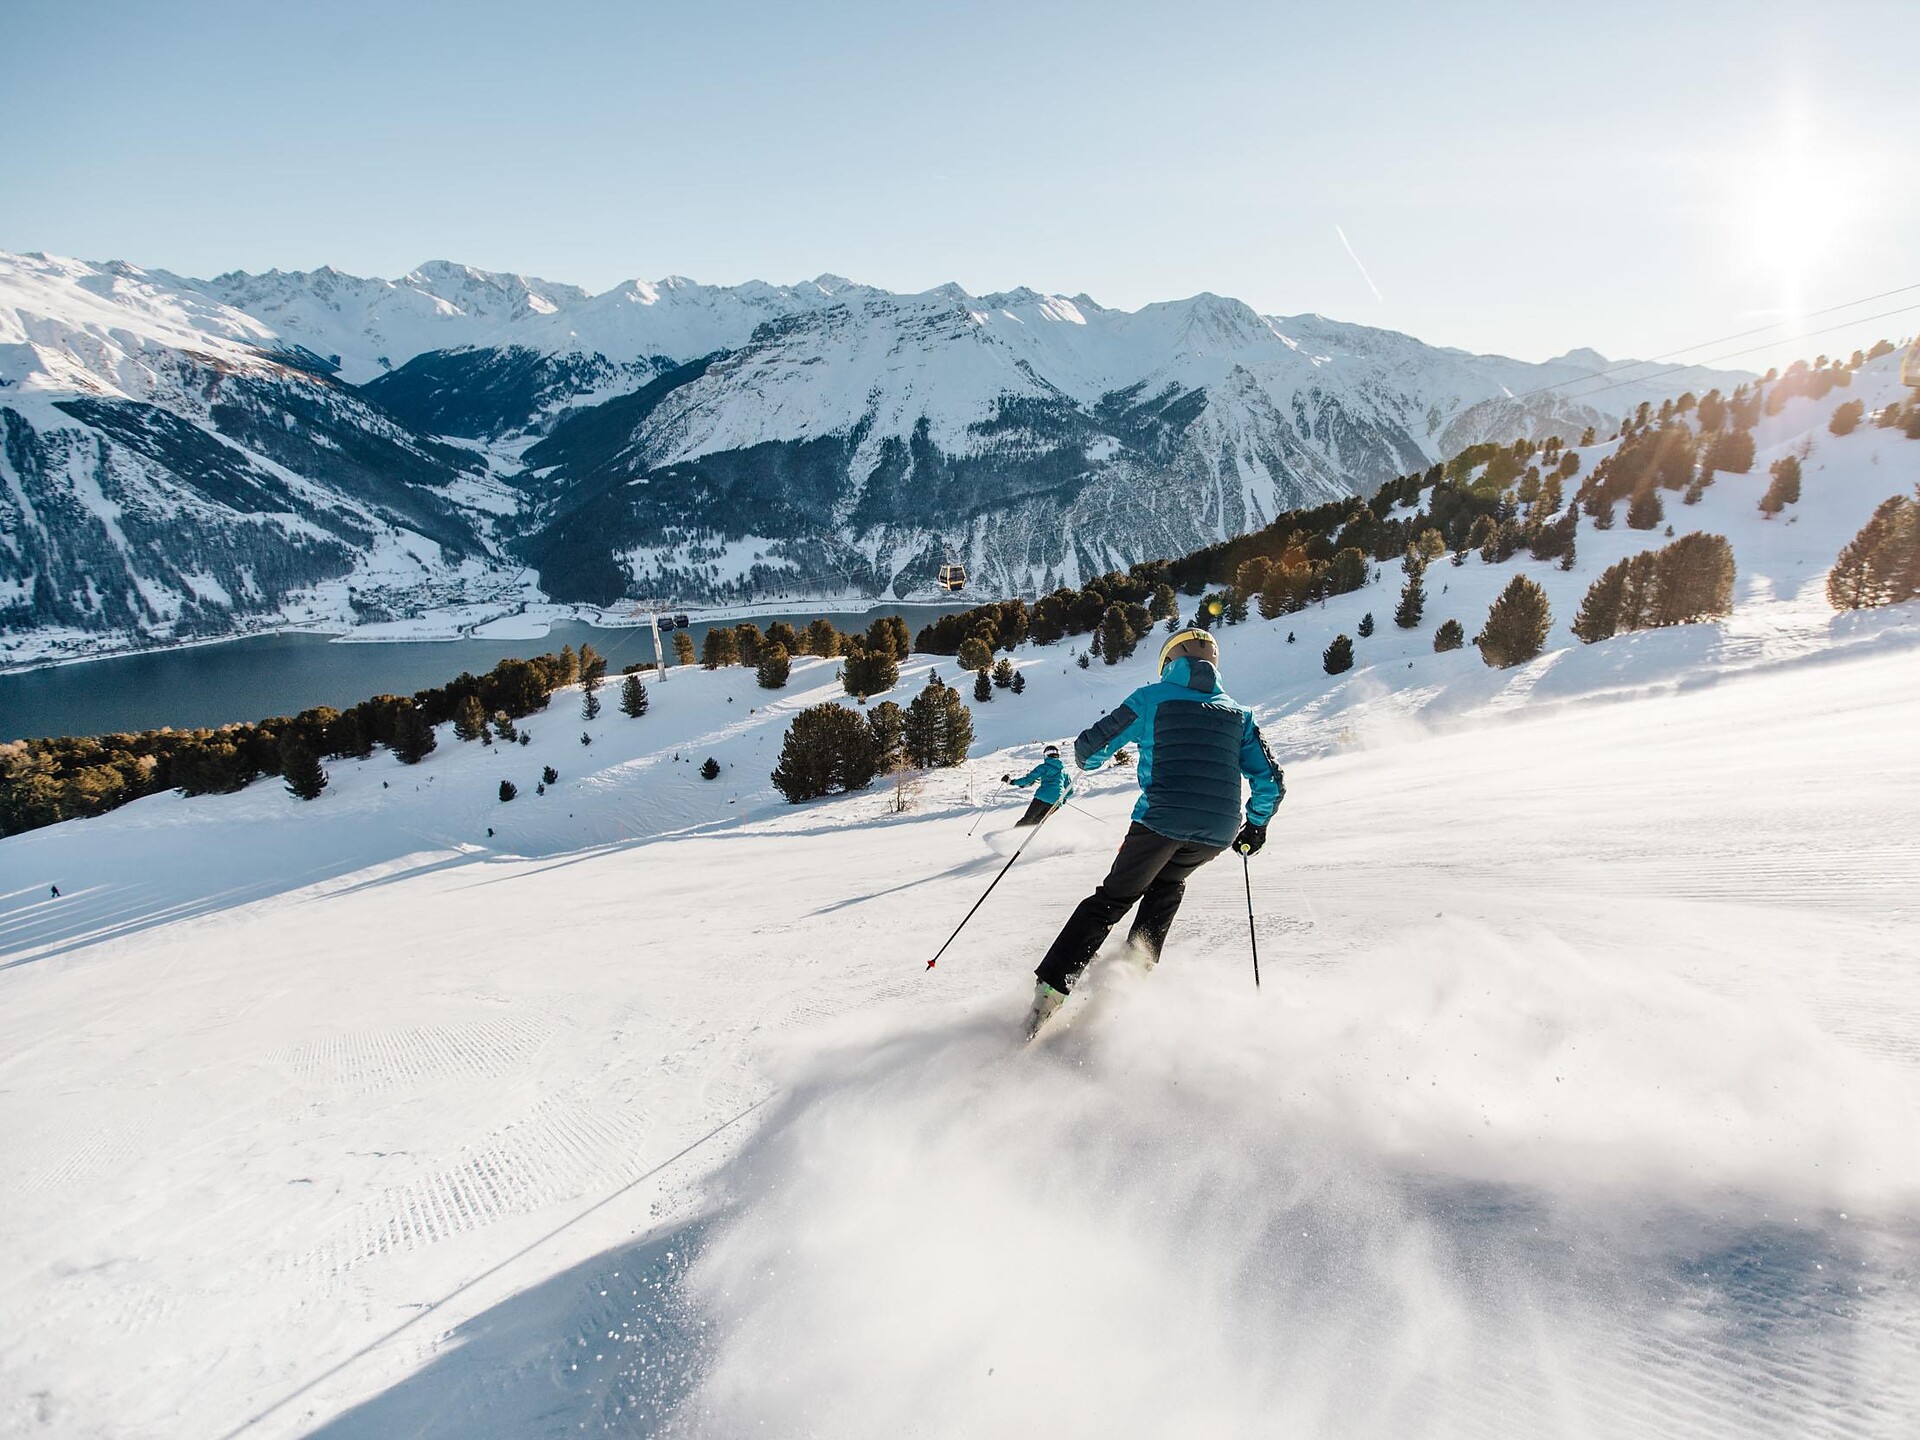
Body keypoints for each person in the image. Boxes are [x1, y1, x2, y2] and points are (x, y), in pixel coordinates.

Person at [1025, 627, 1283, 1037]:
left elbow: (1090, 749)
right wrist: (1256, 825)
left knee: (1112, 900)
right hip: (1216, 832)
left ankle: (1050, 994)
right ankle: (1127, 982)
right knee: (1167, 885)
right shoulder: (1240, 714)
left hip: (1160, 821)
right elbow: (1271, 782)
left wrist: (1091, 762)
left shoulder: (1151, 698)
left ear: (1169, 662)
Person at [1003, 744, 1071, 826]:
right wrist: (1063, 799)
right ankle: (1029, 835)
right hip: (1056, 802)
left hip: (1042, 798)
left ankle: (1013, 836)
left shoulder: (1044, 767)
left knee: (1027, 819)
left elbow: (1028, 780)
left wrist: (1011, 782)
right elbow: (1070, 789)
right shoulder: (1064, 771)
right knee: (1036, 822)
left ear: (1046, 755)